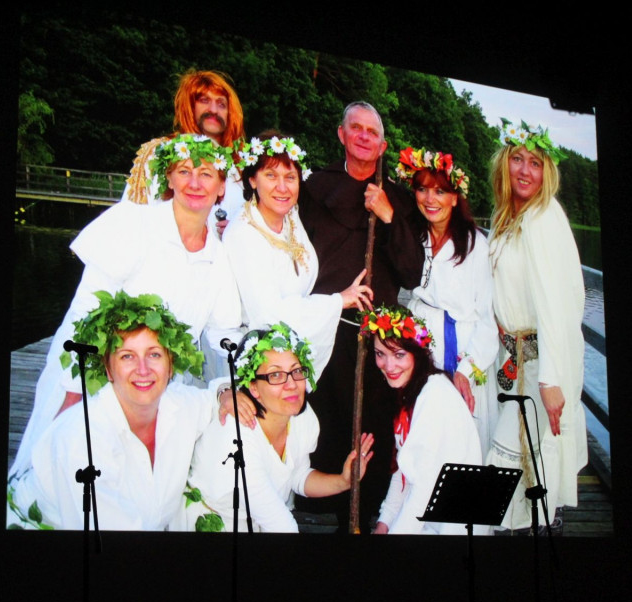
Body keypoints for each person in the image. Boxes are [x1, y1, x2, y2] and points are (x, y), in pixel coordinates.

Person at [8, 135, 242, 523]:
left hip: (155, 387)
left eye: (206, 174)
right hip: (95, 377)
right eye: (185, 171)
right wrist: (72, 394)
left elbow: (222, 332)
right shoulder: (135, 223)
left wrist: (254, 369)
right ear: (169, 177)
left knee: (135, 492)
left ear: (221, 187)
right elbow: (84, 312)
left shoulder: (218, 257)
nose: (195, 183)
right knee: (68, 477)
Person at [297, 101, 425, 530]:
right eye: (357, 128)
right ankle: (323, 507)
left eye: (373, 131)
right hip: (326, 327)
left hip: (377, 341)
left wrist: (388, 217)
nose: (365, 136)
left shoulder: (399, 199)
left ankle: (368, 512)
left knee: (373, 428)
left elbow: (412, 271)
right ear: (342, 134)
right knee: (325, 421)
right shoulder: (314, 187)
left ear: (383, 144)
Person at [9, 291, 220, 530]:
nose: (143, 369)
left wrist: (224, 394)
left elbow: (217, 396)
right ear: (108, 370)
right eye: (127, 356)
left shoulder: (178, 404)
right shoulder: (82, 440)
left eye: (154, 354)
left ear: (170, 366)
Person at [486, 120, 586, 531]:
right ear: (504, 164)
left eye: (535, 162)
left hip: (540, 363)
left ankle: (536, 529)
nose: (525, 170)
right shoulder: (507, 215)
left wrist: (550, 380)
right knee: (522, 464)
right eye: (517, 159)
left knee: (509, 460)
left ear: (547, 172)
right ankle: (529, 532)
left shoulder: (545, 217)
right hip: (511, 361)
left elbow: (556, 304)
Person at [186, 323, 374, 533]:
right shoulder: (237, 434)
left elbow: (297, 476)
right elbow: (280, 525)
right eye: (275, 375)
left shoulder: (302, 417)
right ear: (253, 387)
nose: (291, 384)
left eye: (296, 371)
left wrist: (343, 482)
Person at [222, 132, 372, 375]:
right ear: (252, 180)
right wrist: (337, 301)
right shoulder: (243, 235)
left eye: (290, 177)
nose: (282, 187)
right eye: (270, 175)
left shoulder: (291, 217)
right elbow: (270, 316)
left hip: (291, 350)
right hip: (259, 359)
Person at [395, 146, 498, 454]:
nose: (430, 199)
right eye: (423, 189)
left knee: (463, 440)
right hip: (422, 345)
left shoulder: (475, 245)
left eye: (440, 191)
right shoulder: (413, 236)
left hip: (463, 350)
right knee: (422, 438)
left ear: (455, 197)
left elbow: (487, 318)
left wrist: (466, 371)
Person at [361, 305, 483, 535]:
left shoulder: (434, 395)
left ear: (417, 352)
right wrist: (383, 524)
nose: (389, 366)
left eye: (399, 355)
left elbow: (423, 489)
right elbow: (404, 472)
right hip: (429, 520)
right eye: (380, 354)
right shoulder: (411, 394)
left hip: (453, 528)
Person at [123, 69, 246, 230]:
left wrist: (236, 231)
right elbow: (133, 217)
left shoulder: (240, 165)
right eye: (204, 100)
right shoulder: (160, 152)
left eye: (221, 104)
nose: (214, 110)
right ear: (190, 106)